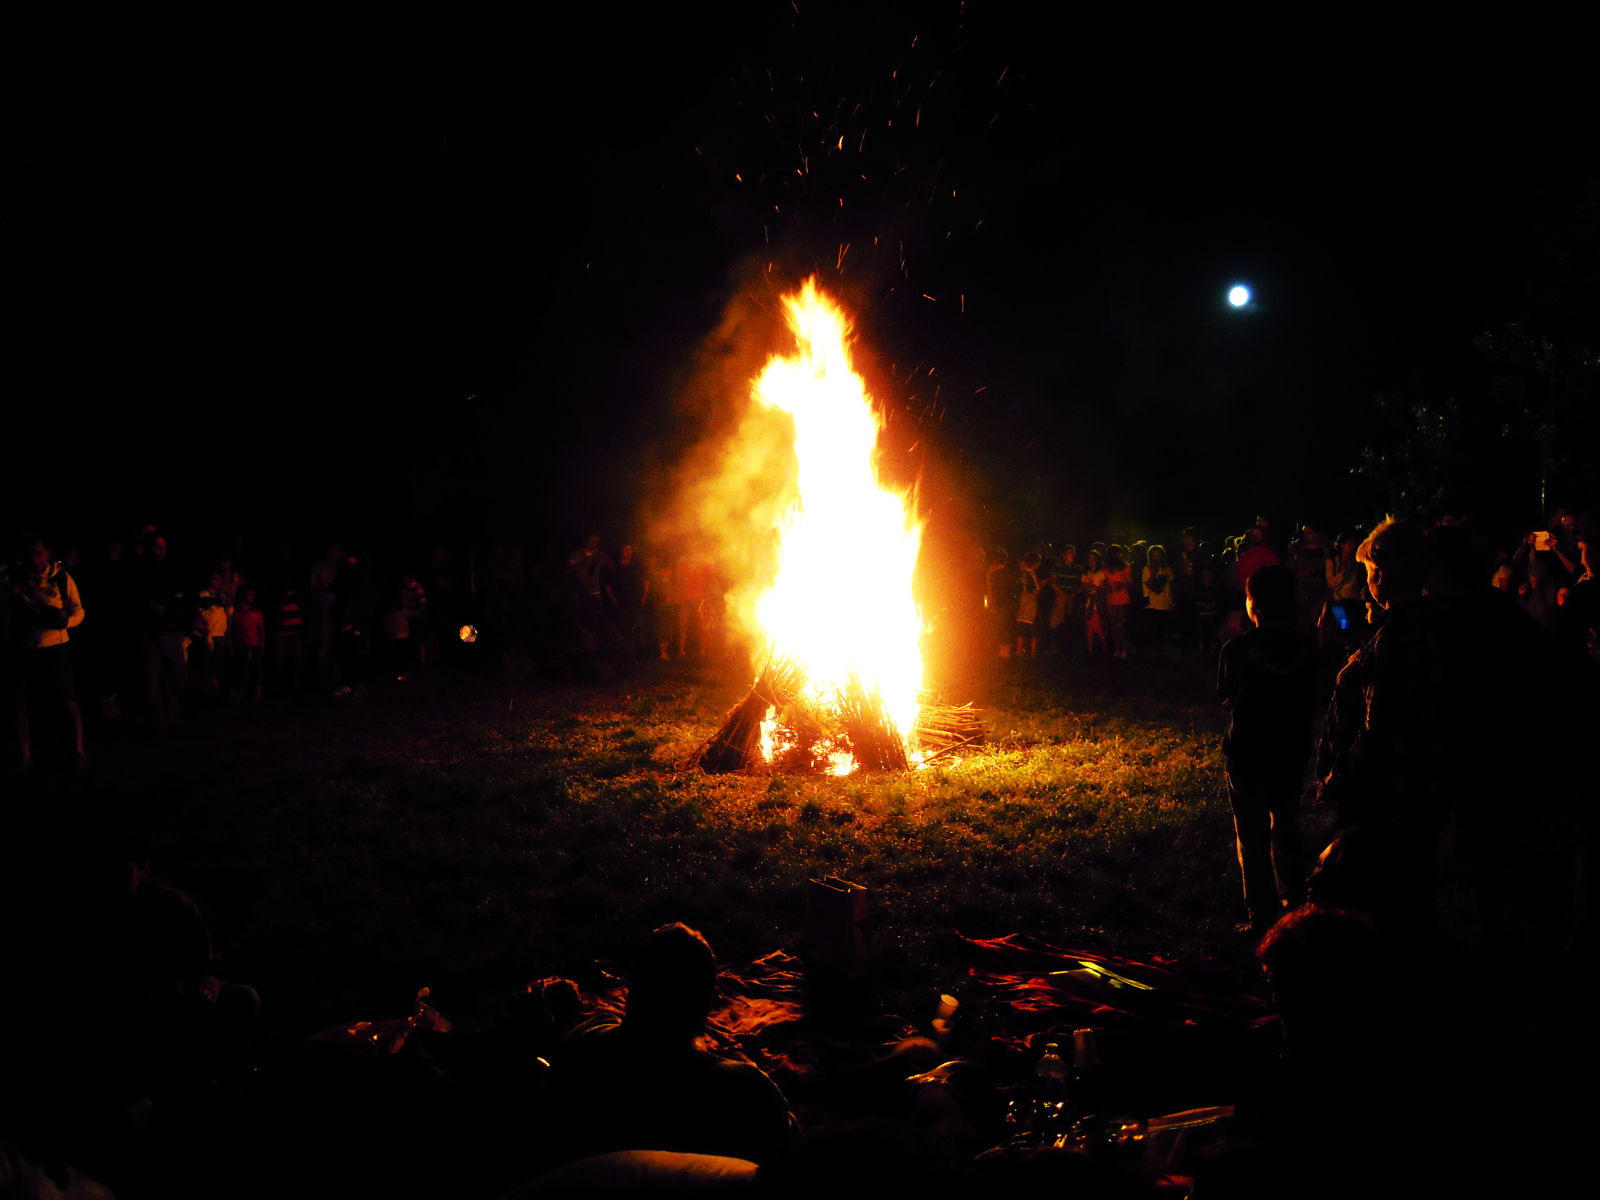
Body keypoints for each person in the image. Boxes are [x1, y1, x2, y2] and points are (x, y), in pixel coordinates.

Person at [549, 923, 794, 1167]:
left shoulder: (581, 1049)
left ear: (632, 988)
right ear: (706, 1004)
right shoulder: (746, 1093)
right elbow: (788, 1155)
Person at [1217, 564, 1318, 932]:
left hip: (1247, 753)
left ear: (1252, 604)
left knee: (1251, 833)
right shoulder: (1308, 648)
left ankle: (1261, 914)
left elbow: (1226, 696)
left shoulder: (1236, 650)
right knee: (1286, 825)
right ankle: (1297, 905)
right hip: (1291, 751)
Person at [6, 536, 88, 771]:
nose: (35, 559)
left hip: (55, 646)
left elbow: (78, 610)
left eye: (38, 553)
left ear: (47, 553)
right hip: (25, 646)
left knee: (67, 699)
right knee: (21, 702)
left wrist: (65, 621)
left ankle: (78, 750)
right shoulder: (15, 577)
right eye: (30, 554)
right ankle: (25, 754)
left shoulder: (61, 577)